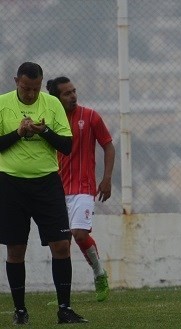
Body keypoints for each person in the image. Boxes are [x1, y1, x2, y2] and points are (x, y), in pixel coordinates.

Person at [0, 62, 87, 324]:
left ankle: (64, 309)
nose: (30, 94)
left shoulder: (51, 104)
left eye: (35, 89)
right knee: (16, 249)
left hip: (47, 182)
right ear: (17, 81)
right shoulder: (3, 103)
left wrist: (43, 131)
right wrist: (19, 132)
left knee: (61, 245)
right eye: (26, 88)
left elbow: (67, 145)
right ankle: (20, 310)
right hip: (11, 183)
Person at [46, 76, 115, 302]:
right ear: (56, 98)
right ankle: (62, 295)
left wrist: (106, 178)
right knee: (60, 244)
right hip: (57, 189)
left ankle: (99, 273)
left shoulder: (90, 116)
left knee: (79, 234)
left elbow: (108, 145)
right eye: (67, 93)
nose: (73, 96)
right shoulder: (49, 120)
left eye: (74, 91)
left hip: (84, 188)